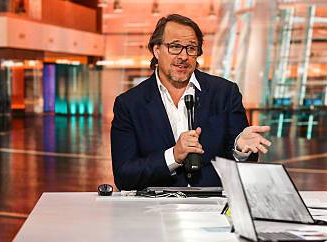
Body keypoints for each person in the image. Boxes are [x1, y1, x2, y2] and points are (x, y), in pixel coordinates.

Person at [110, 14, 271, 190]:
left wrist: (240, 150)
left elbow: (241, 163)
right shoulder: (129, 104)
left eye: (191, 48)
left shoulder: (225, 93)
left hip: (213, 208)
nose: (184, 56)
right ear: (156, 50)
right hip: (157, 210)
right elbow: (124, 176)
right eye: (175, 46)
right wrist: (173, 156)